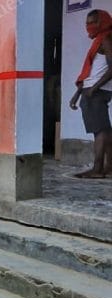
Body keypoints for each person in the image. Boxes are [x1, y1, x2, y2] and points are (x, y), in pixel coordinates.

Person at [70, 9, 112, 178]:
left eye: (93, 22)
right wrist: (77, 94)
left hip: (97, 91)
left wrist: (94, 88)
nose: (89, 26)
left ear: (102, 22)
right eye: (87, 23)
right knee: (105, 130)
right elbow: (89, 72)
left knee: (99, 131)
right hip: (92, 90)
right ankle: (108, 167)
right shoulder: (99, 41)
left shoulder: (107, 39)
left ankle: (97, 169)